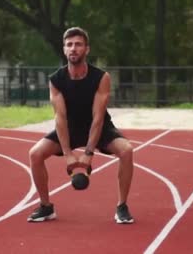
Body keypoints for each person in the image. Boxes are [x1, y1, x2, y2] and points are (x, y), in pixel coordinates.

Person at [27, 27, 135, 224]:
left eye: (78, 44)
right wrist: (68, 154)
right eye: (69, 45)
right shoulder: (56, 80)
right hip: (69, 128)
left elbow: (98, 117)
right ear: (64, 49)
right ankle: (46, 206)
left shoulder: (101, 77)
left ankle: (122, 206)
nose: (73, 48)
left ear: (87, 49)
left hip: (99, 127)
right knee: (35, 154)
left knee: (126, 151)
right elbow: (60, 118)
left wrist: (88, 153)